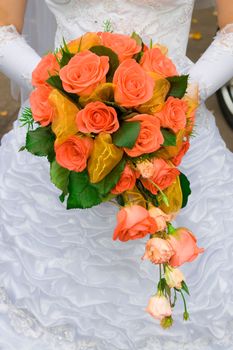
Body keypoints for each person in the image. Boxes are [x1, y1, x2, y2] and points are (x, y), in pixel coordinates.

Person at [0, 1, 233, 349]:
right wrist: (62, 93)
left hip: (176, 135)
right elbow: (3, 30)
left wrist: (183, 95)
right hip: (59, 138)